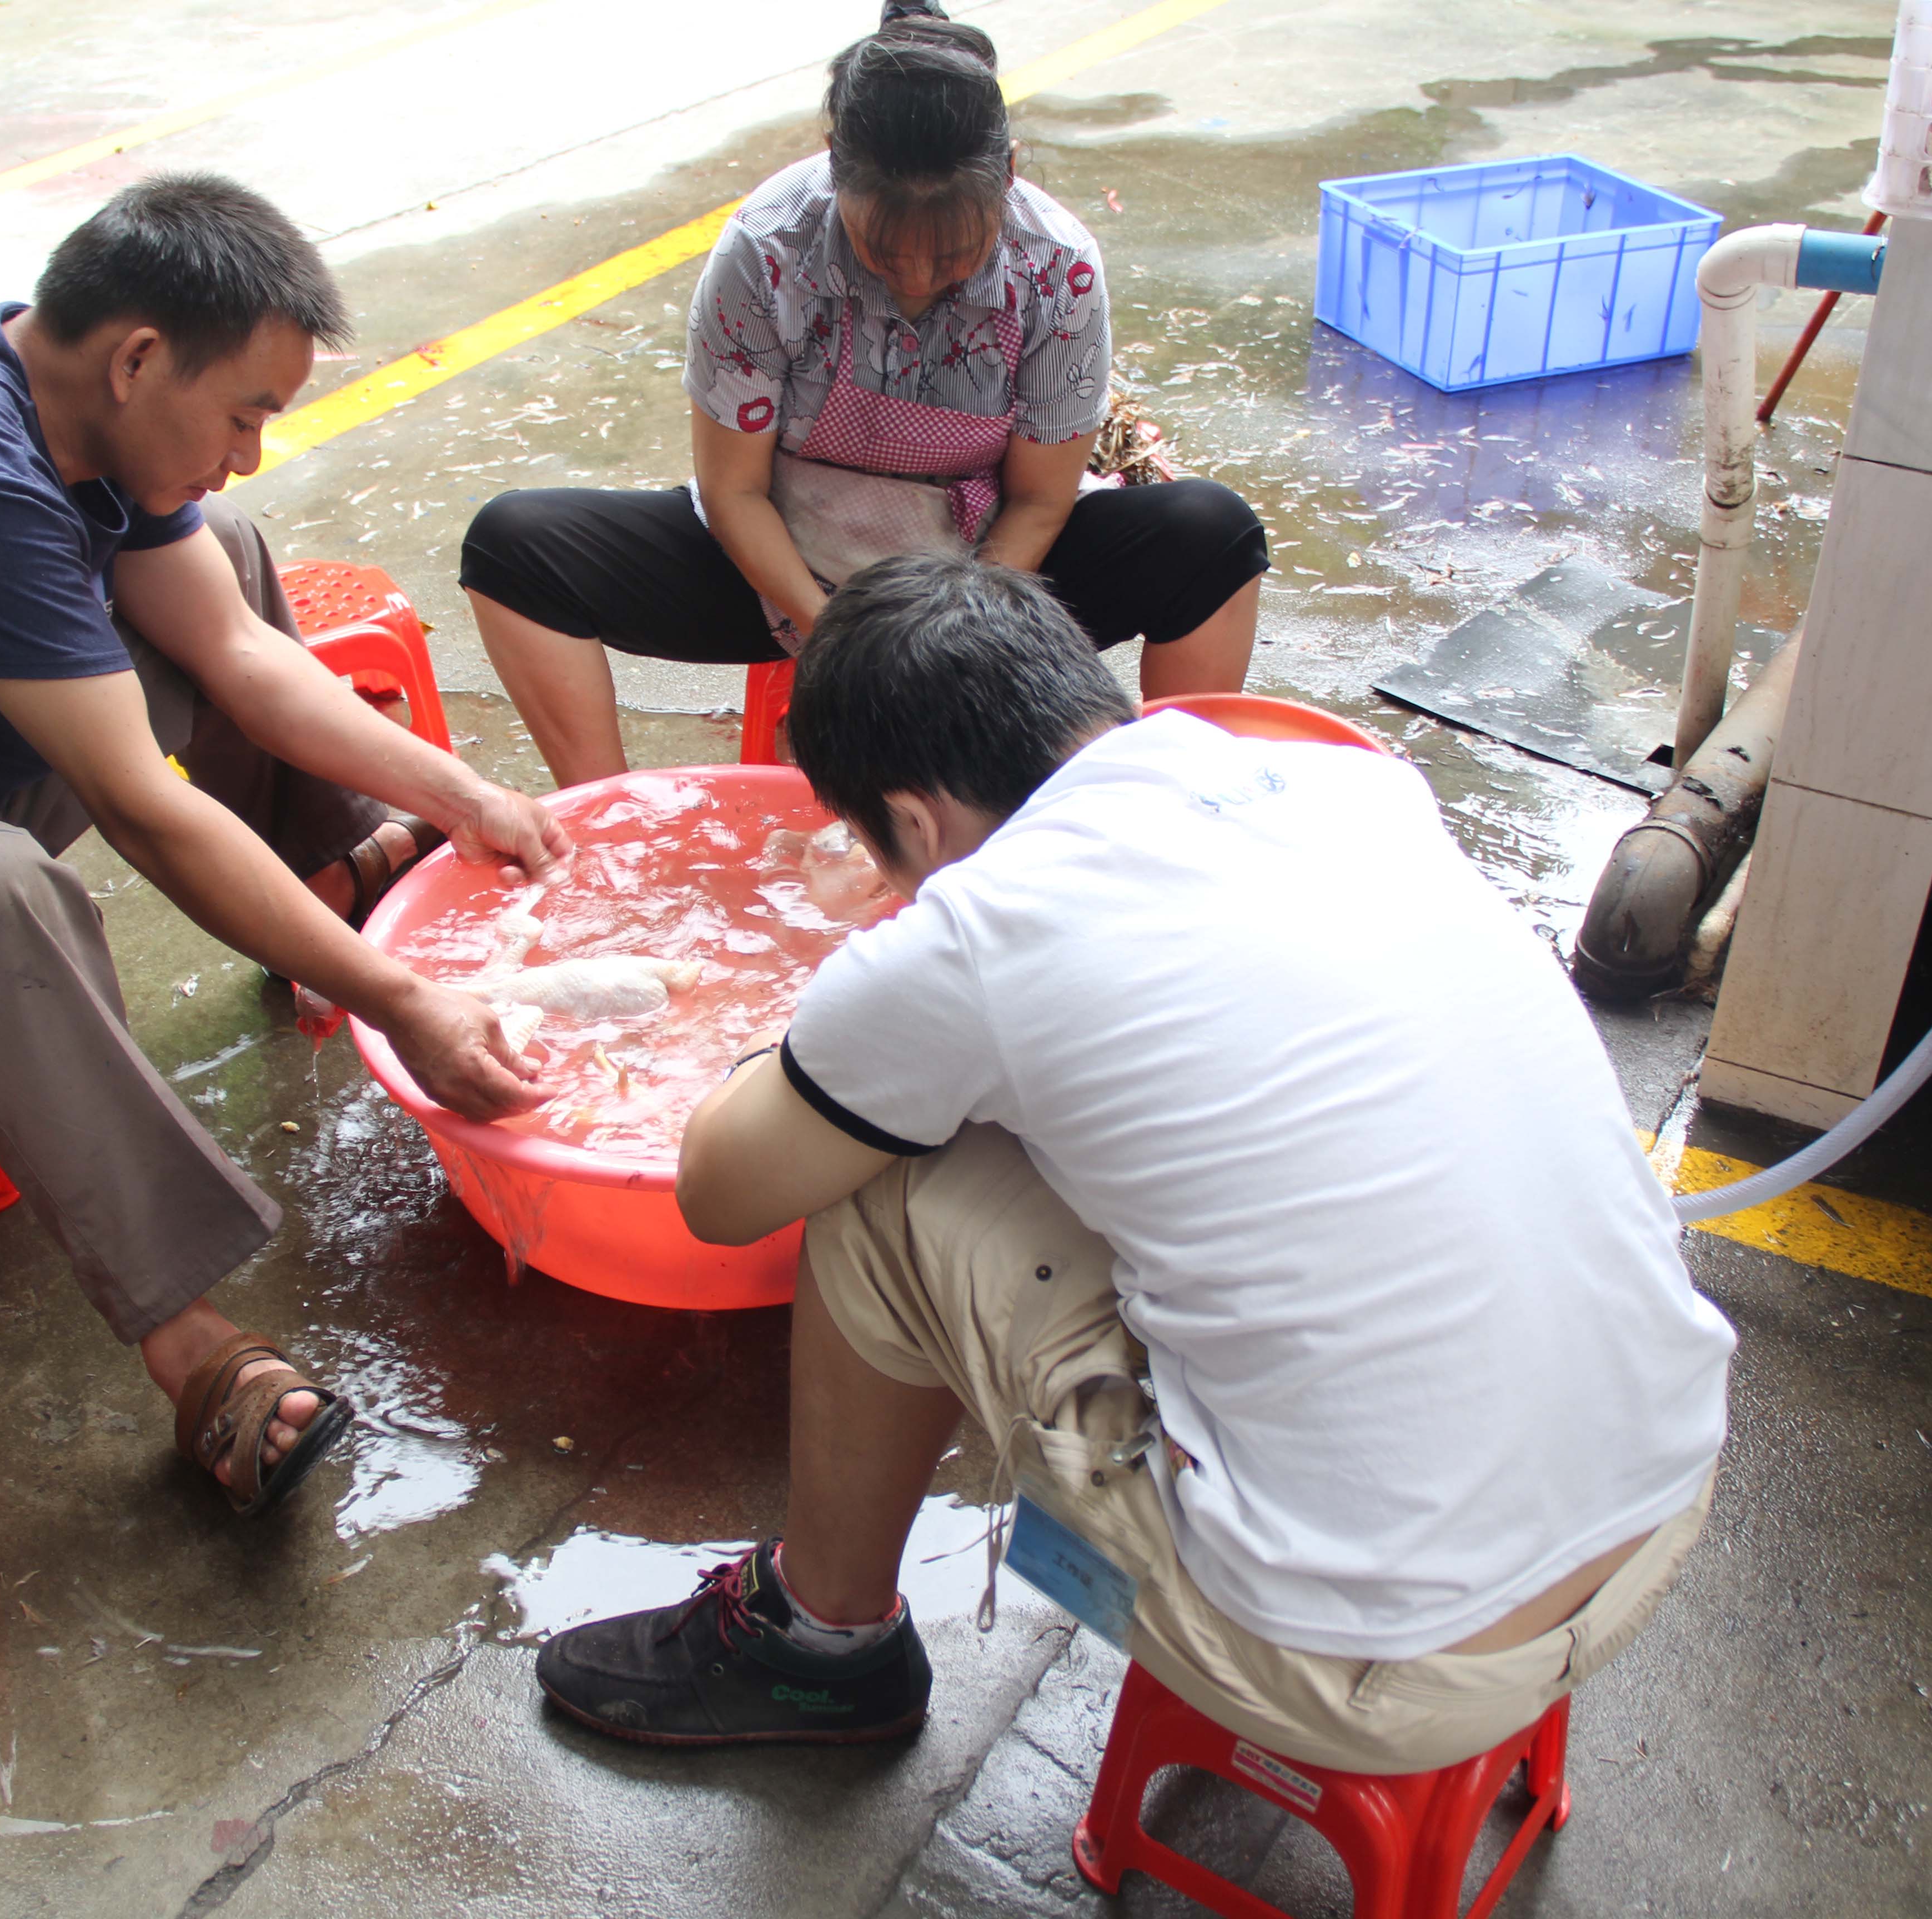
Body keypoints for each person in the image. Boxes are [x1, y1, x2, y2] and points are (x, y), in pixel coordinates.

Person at [533, 553, 1735, 1769]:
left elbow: (722, 1190)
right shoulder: (1346, 782)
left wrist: (853, 996)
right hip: (1660, 1496)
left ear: (911, 822)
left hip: (1369, 1669)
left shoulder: (976, 934)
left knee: (876, 1179)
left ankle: (818, 1644)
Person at [0, 173, 569, 1518]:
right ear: (139, 359)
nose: (250, 448)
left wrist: (466, 795)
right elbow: (141, 802)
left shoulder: (77, 401)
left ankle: (318, 896)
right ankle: (190, 1347)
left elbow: (237, 654)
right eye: (245, 413)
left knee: (220, 552)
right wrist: (405, 1000)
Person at [460, 3, 1269, 788]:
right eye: (883, 251)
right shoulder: (767, 248)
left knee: (1208, 536)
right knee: (516, 546)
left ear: (1009, 174)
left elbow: (1038, 500)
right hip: (784, 563)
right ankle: (603, 828)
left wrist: (950, 636)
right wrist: (843, 641)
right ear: (833, 166)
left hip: (984, 567)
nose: (916, 279)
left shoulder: (1058, 267)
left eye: (953, 255)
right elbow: (734, 490)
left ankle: (1177, 810)